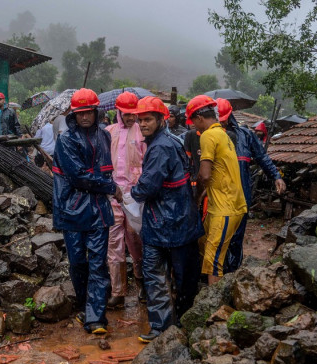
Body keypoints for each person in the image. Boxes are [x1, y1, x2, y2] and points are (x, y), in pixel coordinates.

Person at [131, 97, 204, 343]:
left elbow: (146, 188)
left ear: (161, 120)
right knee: (181, 276)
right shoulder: (170, 140)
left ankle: (164, 328)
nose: (142, 124)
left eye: (148, 119)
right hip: (179, 219)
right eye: (140, 120)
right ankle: (180, 324)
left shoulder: (160, 146)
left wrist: (134, 189)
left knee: (157, 274)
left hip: (165, 221)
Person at [52, 88, 121, 334]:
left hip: (99, 211)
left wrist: (108, 186)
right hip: (72, 209)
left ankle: (96, 318)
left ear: (95, 112)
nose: (84, 117)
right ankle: (84, 306)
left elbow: (105, 169)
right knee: (78, 262)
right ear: (74, 114)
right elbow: (78, 176)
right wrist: (111, 187)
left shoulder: (104, 136)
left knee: (98, 264)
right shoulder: (66, 140)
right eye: (80, 113)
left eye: (88, 112)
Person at [215, 99, 285, 273]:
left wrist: (276, 176)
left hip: (241, 194)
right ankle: (214, 272)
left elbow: (262, 157)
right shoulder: (208, 136)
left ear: (230, 116)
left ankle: (232, 272)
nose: (221, 122)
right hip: (217, 195)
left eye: (223, 118)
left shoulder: (246, 136)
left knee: (236, 237)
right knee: (216, 237)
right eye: (218, 119)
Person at [186, 95, 247, 286]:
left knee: (213, 260)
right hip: (224, 204)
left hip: (225, 208)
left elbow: (204, 175)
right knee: (202, 243)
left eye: (193, 122)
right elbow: (220, 173)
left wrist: (196, 198)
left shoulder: (208, 135)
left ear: (200, 118)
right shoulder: (223, 134)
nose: (194, 126)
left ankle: (214, 309)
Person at [104, 92, 146, 307]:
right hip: (113, 197)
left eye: (133, 114)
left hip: (136, 198)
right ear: (118, 112)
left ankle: (141, 284)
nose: (131, 118)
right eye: (127, 114)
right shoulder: (108, 133)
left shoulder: (142, 133)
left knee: (136, 242)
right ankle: (118, 292)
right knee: (114, 245)